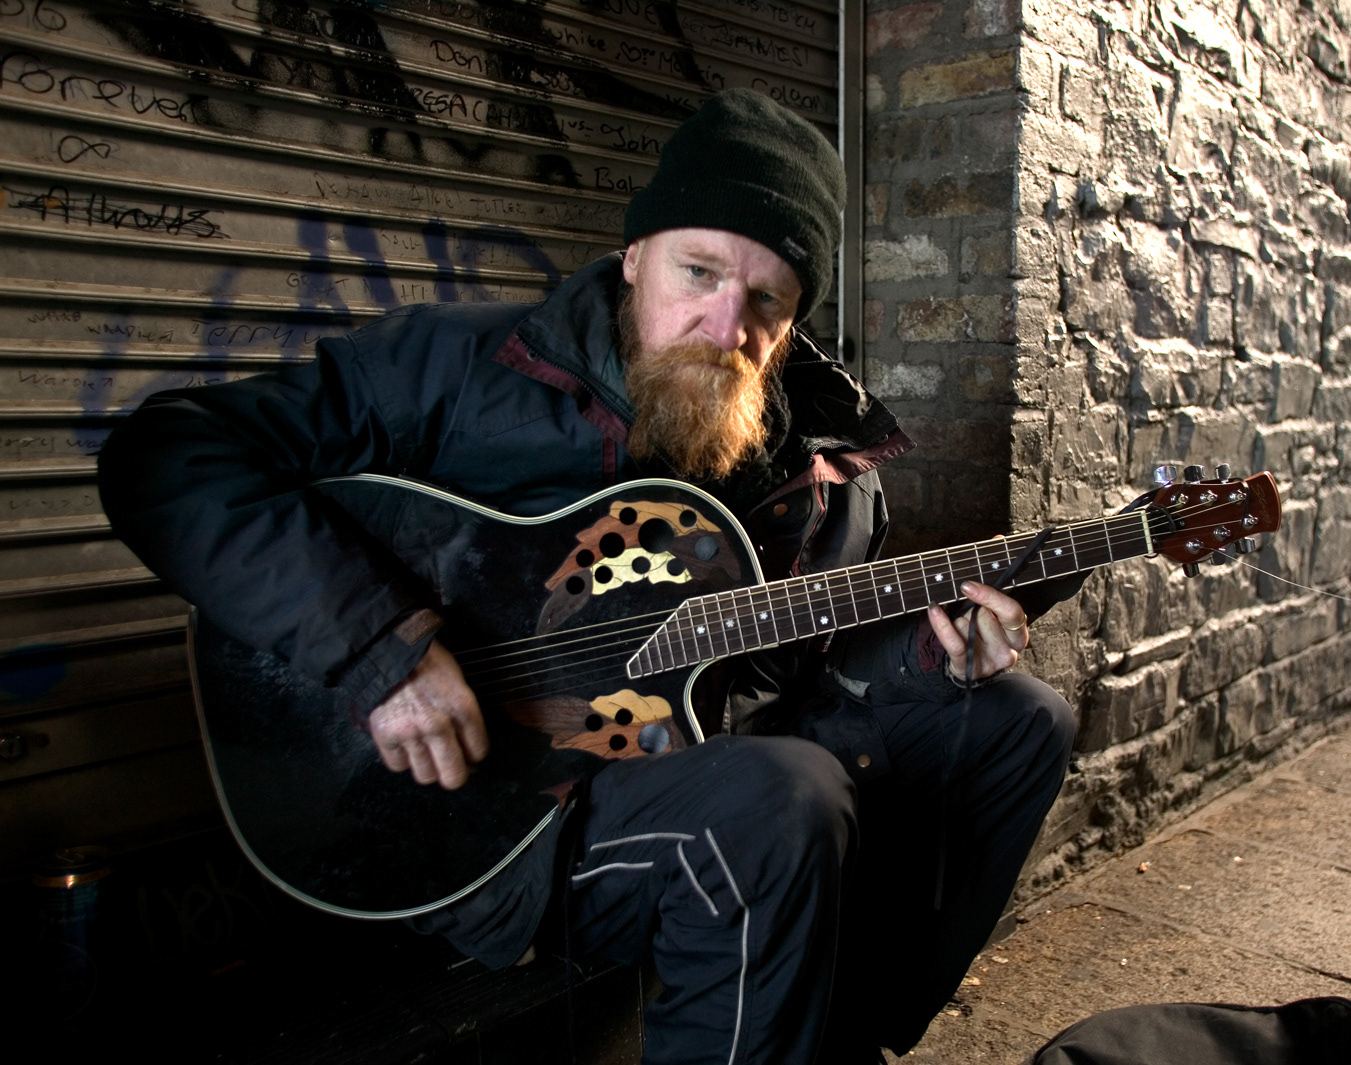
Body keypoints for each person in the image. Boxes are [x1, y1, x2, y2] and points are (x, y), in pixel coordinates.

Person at [98, 90, 1081, 1064]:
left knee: (1016, 721)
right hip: (490, 815)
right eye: (697, 272)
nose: (721, 323)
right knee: (781, 797)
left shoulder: (818, 477)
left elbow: (807, 683)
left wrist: (927, 660)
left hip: (694, 769)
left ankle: (834, 1036)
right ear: (633, 257)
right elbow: (165, 459)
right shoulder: (460, 366)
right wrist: (380, 652)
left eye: (766, 302)